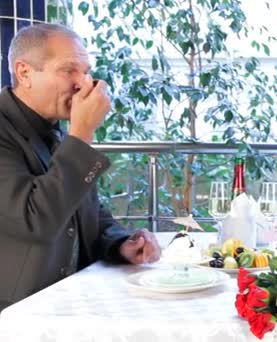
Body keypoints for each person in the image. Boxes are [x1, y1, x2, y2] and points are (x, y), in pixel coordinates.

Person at [0, 23, 161, 311]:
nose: (83, 83)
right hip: (18, 313)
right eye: (69, 70)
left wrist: (120, 242)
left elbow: (86, 213)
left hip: (72, 297)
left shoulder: (56, 130)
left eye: (86, 71)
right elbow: (35, 220)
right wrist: (82, 134)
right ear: (24, 73)